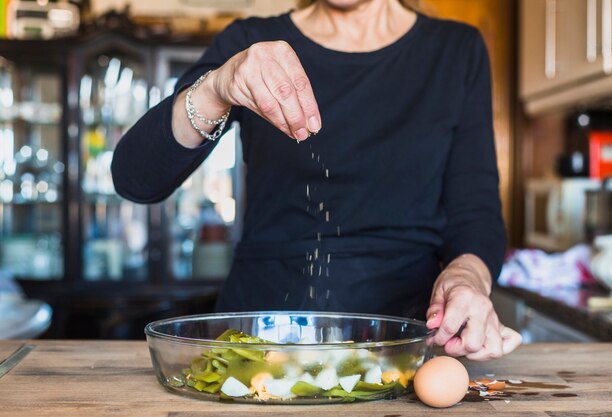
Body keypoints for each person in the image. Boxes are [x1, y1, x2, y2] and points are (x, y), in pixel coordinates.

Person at [111, 0, 522, 360]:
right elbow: (136, 177)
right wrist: (217, 87)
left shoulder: (456, 50)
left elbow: (476, 211)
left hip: (404, 339)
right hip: (259, 340)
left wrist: (467, 277)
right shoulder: (252, 40)